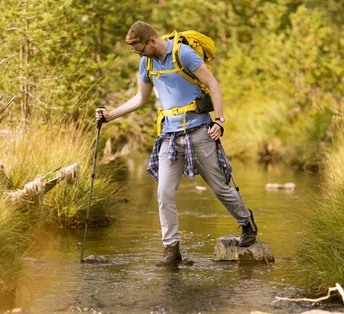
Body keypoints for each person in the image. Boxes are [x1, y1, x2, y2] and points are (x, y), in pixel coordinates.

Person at [95, 21, 257, 267]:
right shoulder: (146, 63)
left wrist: (220, 121)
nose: (137, 55)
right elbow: (140, 98)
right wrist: (110, 115)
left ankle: (247, 223)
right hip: (169, 136)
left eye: (139, 49)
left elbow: (214, 86)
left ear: (152, 41)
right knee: (163, 193)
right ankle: (172, 250)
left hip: (199, 131)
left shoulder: (184, 54)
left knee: (220, 187)